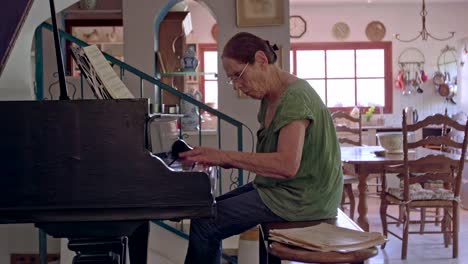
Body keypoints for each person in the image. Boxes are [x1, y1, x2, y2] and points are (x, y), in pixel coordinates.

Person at [180, 32, 343, 264]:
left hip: (304, 198)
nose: (237, 85)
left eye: (239, 75)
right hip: (285, 190)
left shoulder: (295, 97)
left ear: (261, 60)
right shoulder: (270, 97)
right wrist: (221, 159)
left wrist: (226, 155)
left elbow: (287, 165)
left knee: (206, 223)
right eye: (232, 79)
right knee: (204, 212)